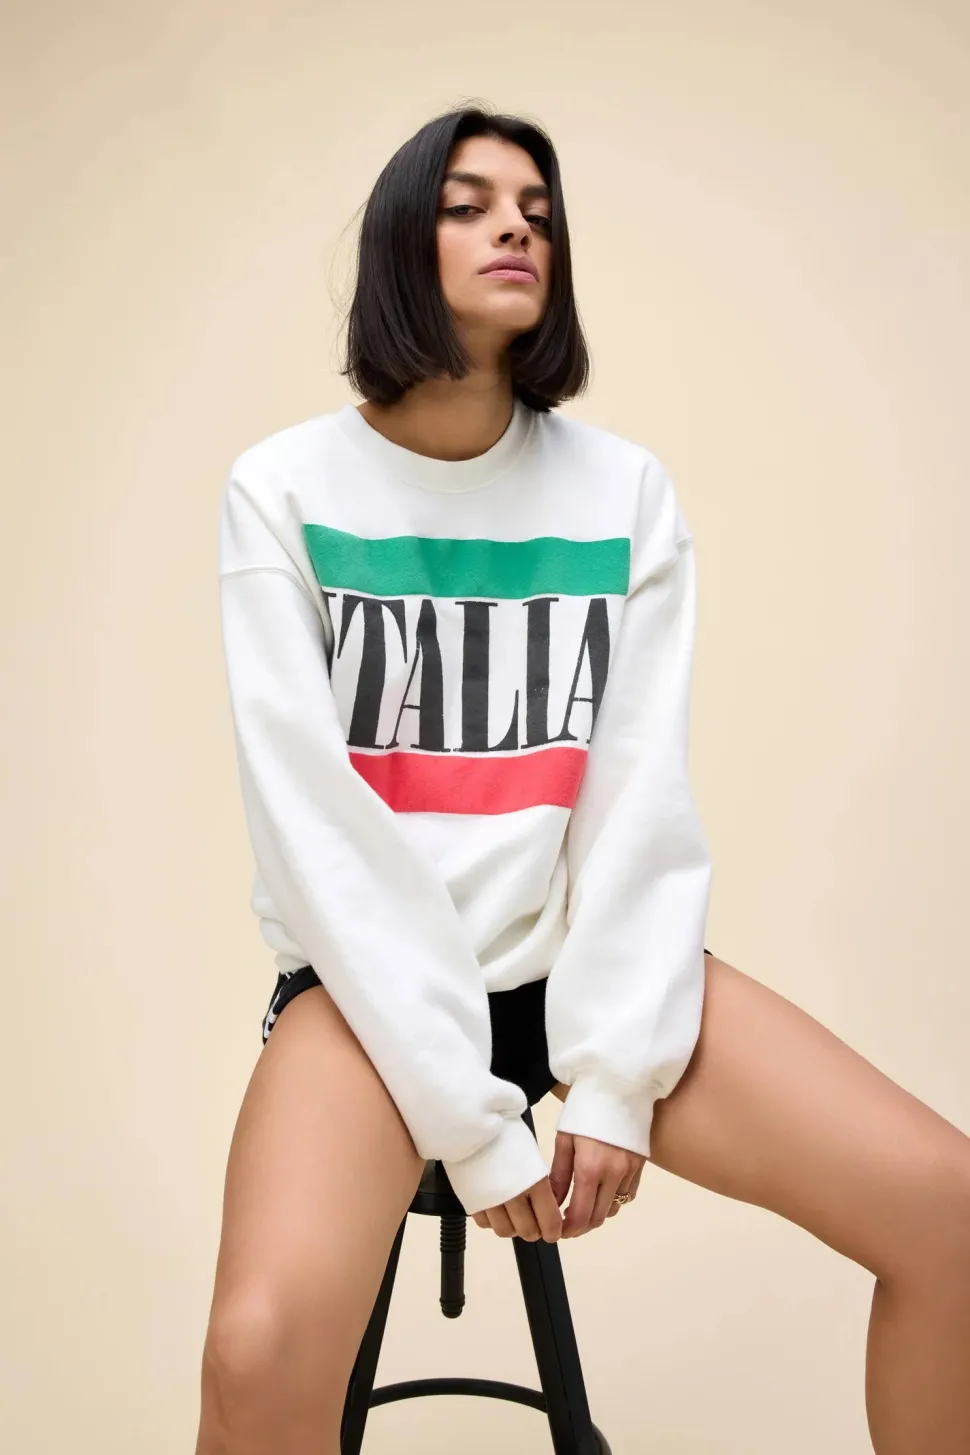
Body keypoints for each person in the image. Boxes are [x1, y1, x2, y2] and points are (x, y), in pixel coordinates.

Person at [198, 105, 970, 1455]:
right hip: (370, 997)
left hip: (579, 965)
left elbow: (634, 806)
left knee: (949, 1213)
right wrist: (466, 1121)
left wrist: (613, 1079)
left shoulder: (622, 493)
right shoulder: (284, 488)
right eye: (470, 203)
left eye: (538, 212)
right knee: (255, 1350)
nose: (515, 226)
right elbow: (315, 833)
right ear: (401, 241)